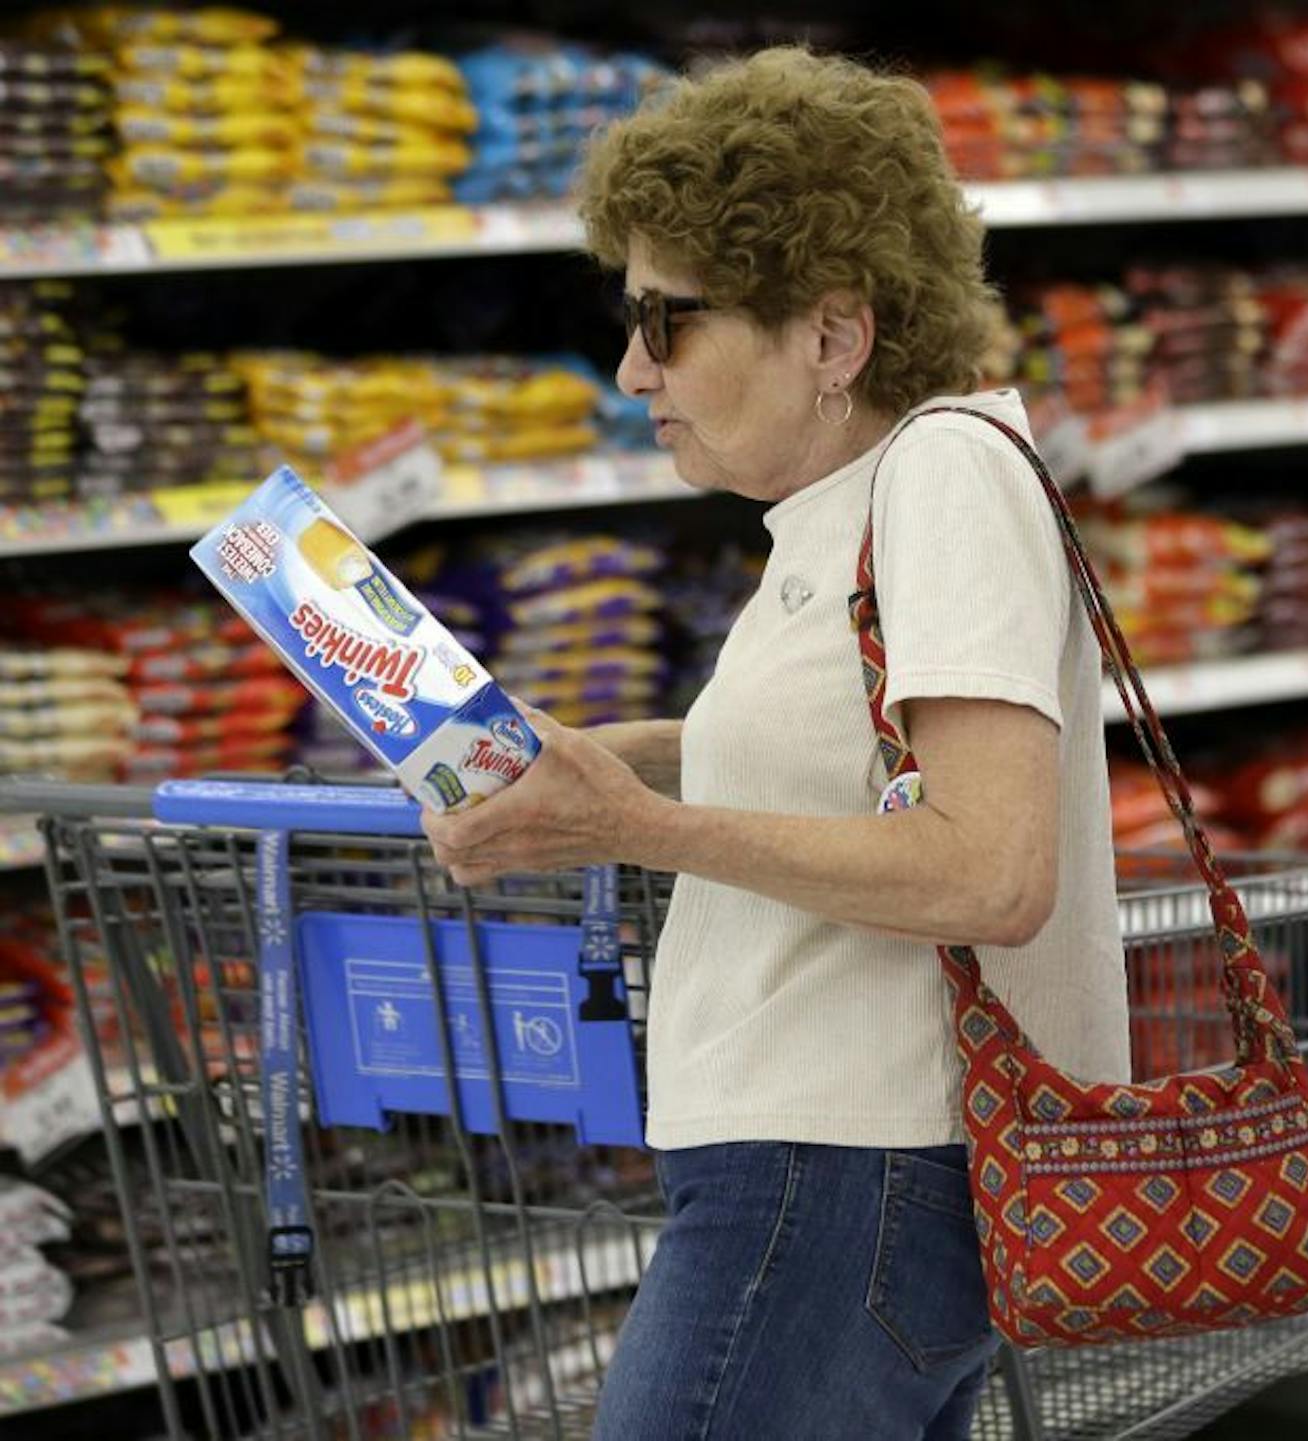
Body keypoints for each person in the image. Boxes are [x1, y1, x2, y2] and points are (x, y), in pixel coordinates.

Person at [419, 46, 1132, 1439]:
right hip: (834, 1175)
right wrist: (601, 757)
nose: (633, 371)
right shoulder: (856, 500)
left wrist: (636, 826)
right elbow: (858, 753)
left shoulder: (941, 479)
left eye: (669, 323)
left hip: (839, 1174)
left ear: (831, 336)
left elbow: (991, 868)